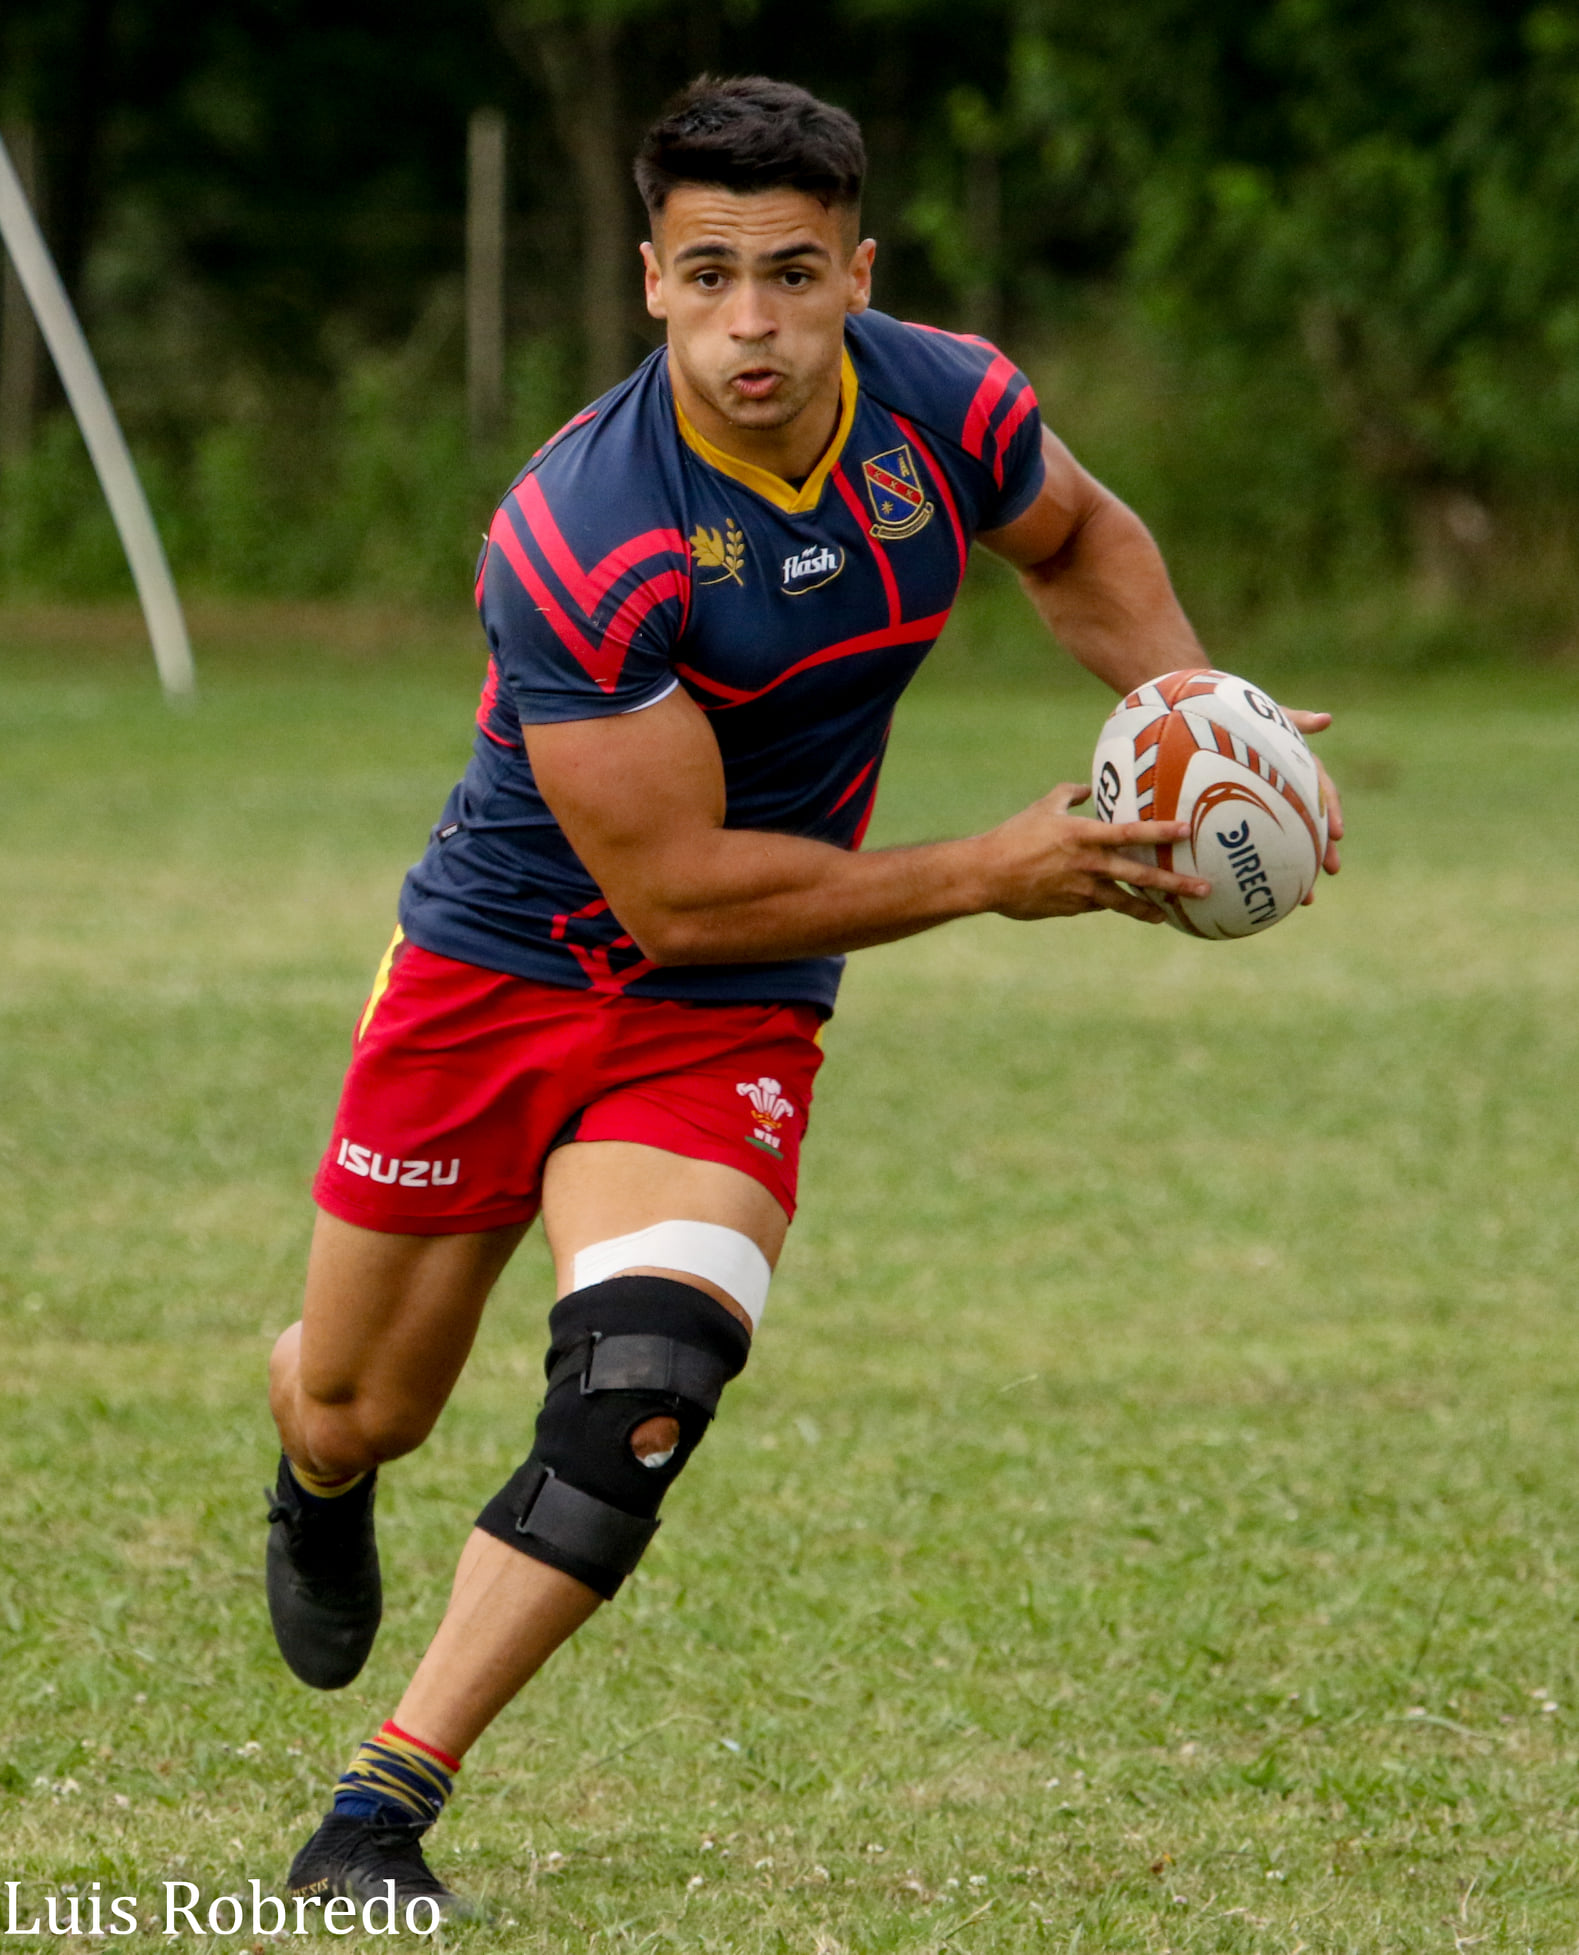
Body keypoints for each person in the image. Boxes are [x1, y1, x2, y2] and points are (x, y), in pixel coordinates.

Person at [267, 74, 1341, 1916]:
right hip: (508, 971)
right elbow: (672, 892)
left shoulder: (944, 406)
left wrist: (1194, 725)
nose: (751, 323)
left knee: (645, 1383)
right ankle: (312, 1467)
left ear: (858, 268)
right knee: (366, 1403)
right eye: (708, 276)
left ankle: (380, 1807)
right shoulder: (580, 534)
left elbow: (1077, 541)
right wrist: (987, 876)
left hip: (732, 996)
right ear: (650, 284)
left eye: (789, 272)